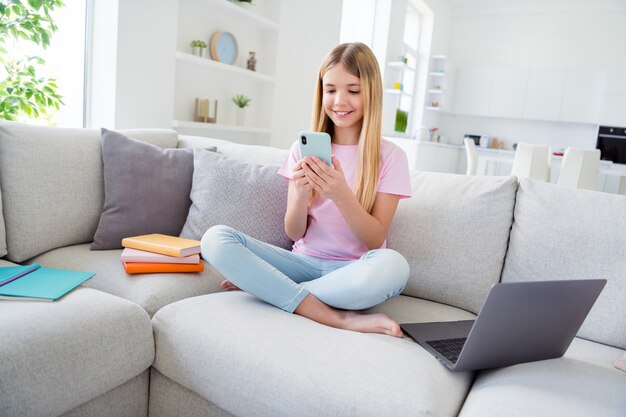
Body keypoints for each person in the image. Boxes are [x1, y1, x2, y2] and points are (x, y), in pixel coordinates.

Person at [202, 42, 412, 337]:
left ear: (372, 93)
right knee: (214, 238)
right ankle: (337, 318)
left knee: (395, 267)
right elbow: (294, 232)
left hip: (353, 271)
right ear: (321, 92)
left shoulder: (391, 157)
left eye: (353, 90)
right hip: (300, 262)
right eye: (331, 90)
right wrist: (300, 196)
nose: (340, 101)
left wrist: (341, 195)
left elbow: (375, 238)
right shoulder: (301, 151)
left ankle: (273, 289)